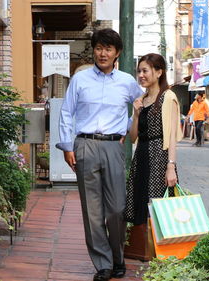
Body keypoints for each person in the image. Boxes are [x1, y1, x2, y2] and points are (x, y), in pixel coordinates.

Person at [56, 28, 143, 281]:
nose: (102, 53)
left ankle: (117, 257)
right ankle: (103, 264)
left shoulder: (127, 81)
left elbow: (143, 106)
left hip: (114, 147)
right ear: (93, 50)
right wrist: (67, 145)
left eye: (108, 49)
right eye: (98, 48)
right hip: (85, 145)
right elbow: (66, 112)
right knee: (92, 210)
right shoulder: (80, 80)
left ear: (117, 53)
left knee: (116, 208)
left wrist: (129, 126)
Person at [124, 53, 183, 226]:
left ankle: (160, 249)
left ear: (159, 72)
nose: (141, 75)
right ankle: (143, 248)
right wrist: (135, 115)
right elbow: (133, 137)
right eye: (139, 71)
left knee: (159, 205)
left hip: (159, 157)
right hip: (141, 155)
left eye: (145, 71)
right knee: (140, 202)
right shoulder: (141, 100)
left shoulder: (168, 97)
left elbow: (171, 136)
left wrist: (171, 167)